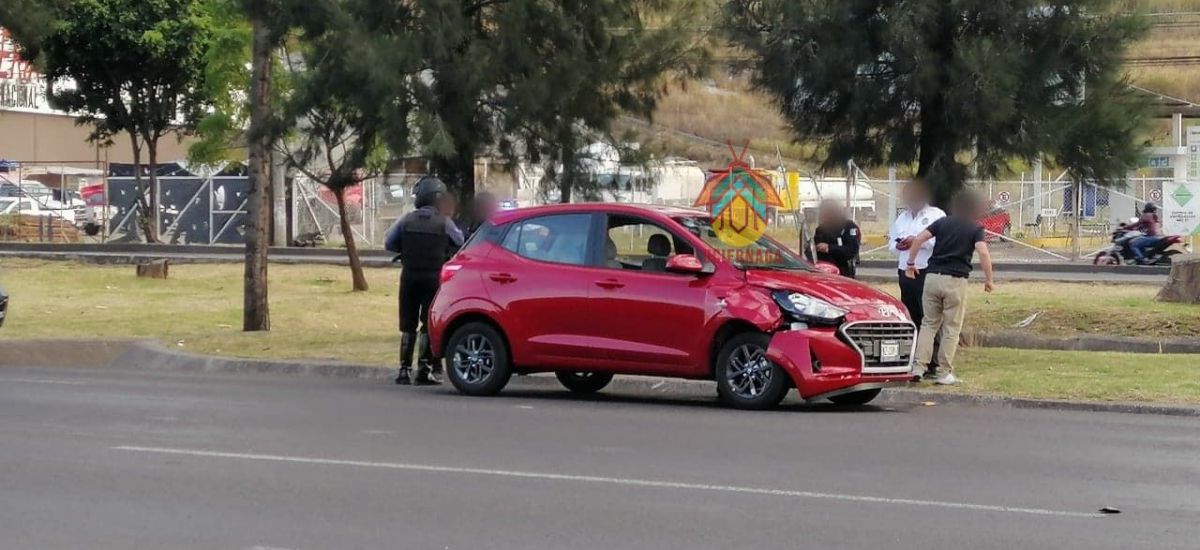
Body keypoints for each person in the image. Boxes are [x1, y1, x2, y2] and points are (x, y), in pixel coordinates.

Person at [904, 191, 995, 386]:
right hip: (956, 280)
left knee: (928, 324)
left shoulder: (942, 223)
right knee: (951, 327)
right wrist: (989, 280)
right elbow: (983, 252)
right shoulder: (975, 228)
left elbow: (919, 239)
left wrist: (910, 264)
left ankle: (919, 367)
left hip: (932, 277)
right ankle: (944, 371)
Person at [384, 176, 465, 386]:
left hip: (409, 276)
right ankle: (424, 370)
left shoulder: (405, 220)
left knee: (407, 325)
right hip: (434, 278)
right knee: (427, 324)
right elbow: (460, 242)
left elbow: (389, 243)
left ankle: (403, 370)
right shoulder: (444, 222)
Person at [887, 180, 945, 377]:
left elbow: (940, 242)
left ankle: (933, 361)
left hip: (926, 271)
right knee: (911, 317)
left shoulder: (935, 215)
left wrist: (918, 242)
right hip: (905, 272)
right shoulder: (901, 218)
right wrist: (901, 245)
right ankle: (914, 359)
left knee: (930, 316)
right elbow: (891, 246)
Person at [810, 199, 861, 278]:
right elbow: (814, 249)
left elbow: (852, 250)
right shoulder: (821, 229)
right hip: (824, 271)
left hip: (843, 270)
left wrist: (829, 248)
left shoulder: (849, 227)